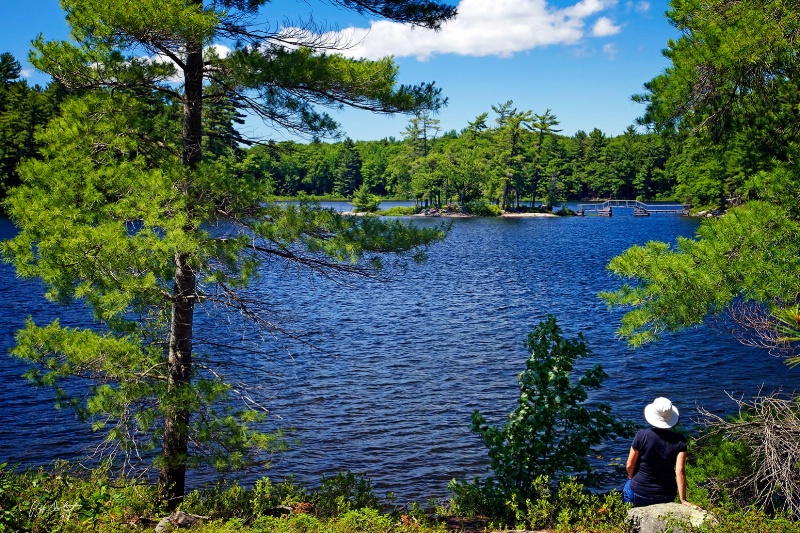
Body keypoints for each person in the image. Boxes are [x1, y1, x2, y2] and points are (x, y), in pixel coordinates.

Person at [623, 397, 696, 508]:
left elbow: (629, 465)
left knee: (628, 487)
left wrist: (631, 477)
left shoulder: (642, 435)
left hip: (640, 493)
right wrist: (683, 499)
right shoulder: (680, 442)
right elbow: (680, 471)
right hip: (666, 494)